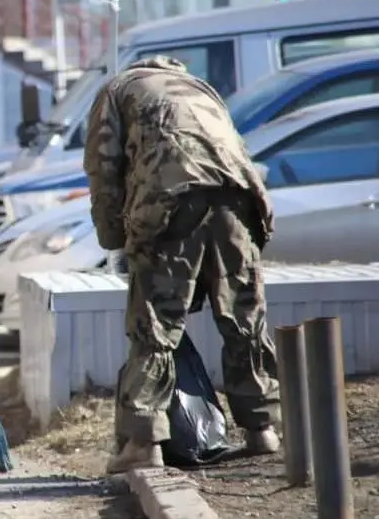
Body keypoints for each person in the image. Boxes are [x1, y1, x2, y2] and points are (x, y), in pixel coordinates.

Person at [82, 56, 281, 474]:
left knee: (155, 325)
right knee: (244, 317)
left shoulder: (118, 90)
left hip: (171, 199)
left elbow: (103, 172)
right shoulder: (201, 89)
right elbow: (234, 151)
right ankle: (262, 428)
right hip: (240, 199)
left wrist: (115, 241)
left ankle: (143, 441)